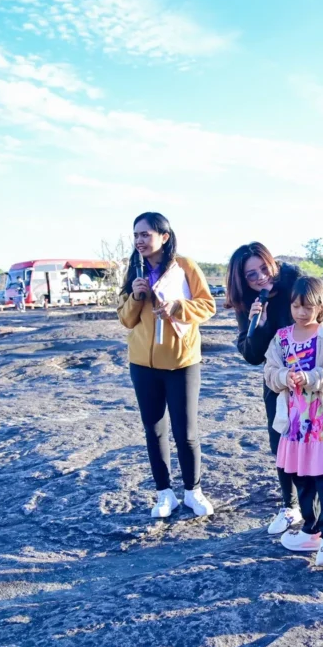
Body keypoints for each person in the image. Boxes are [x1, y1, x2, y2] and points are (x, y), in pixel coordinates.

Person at [226, 242, 323, 535]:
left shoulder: (298, 282)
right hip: (283, 386)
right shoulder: (249, 302)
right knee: (284, 445)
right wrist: (258, 325)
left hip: (320, 382)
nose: (261, 277)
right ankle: (290, 506)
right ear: (241, 280)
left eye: (264, 268)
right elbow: (251, 355)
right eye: (251, 274)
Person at [118, 212, 217, 519]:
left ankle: (193, 491)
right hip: (142, 365)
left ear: (164, 236)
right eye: (136, 235)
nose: (139, 241)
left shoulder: (184, 266)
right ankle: (165, 494)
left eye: (145, 234)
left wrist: (178, 306)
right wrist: (136, 296)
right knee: (154, 430)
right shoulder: (133, 270)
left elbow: (208, 305)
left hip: (181, 362)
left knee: (186, 432)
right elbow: (126, 319)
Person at [265, 276, 323, 567]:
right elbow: (269, 373)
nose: (301, 313)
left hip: (321, 423)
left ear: (321, 306)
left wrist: (312, 377)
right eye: (296, 306)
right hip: (293, 425)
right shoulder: (281, 337)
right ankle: (311, 529)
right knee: (300, 476)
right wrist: (284, 377)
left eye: (308, 307)